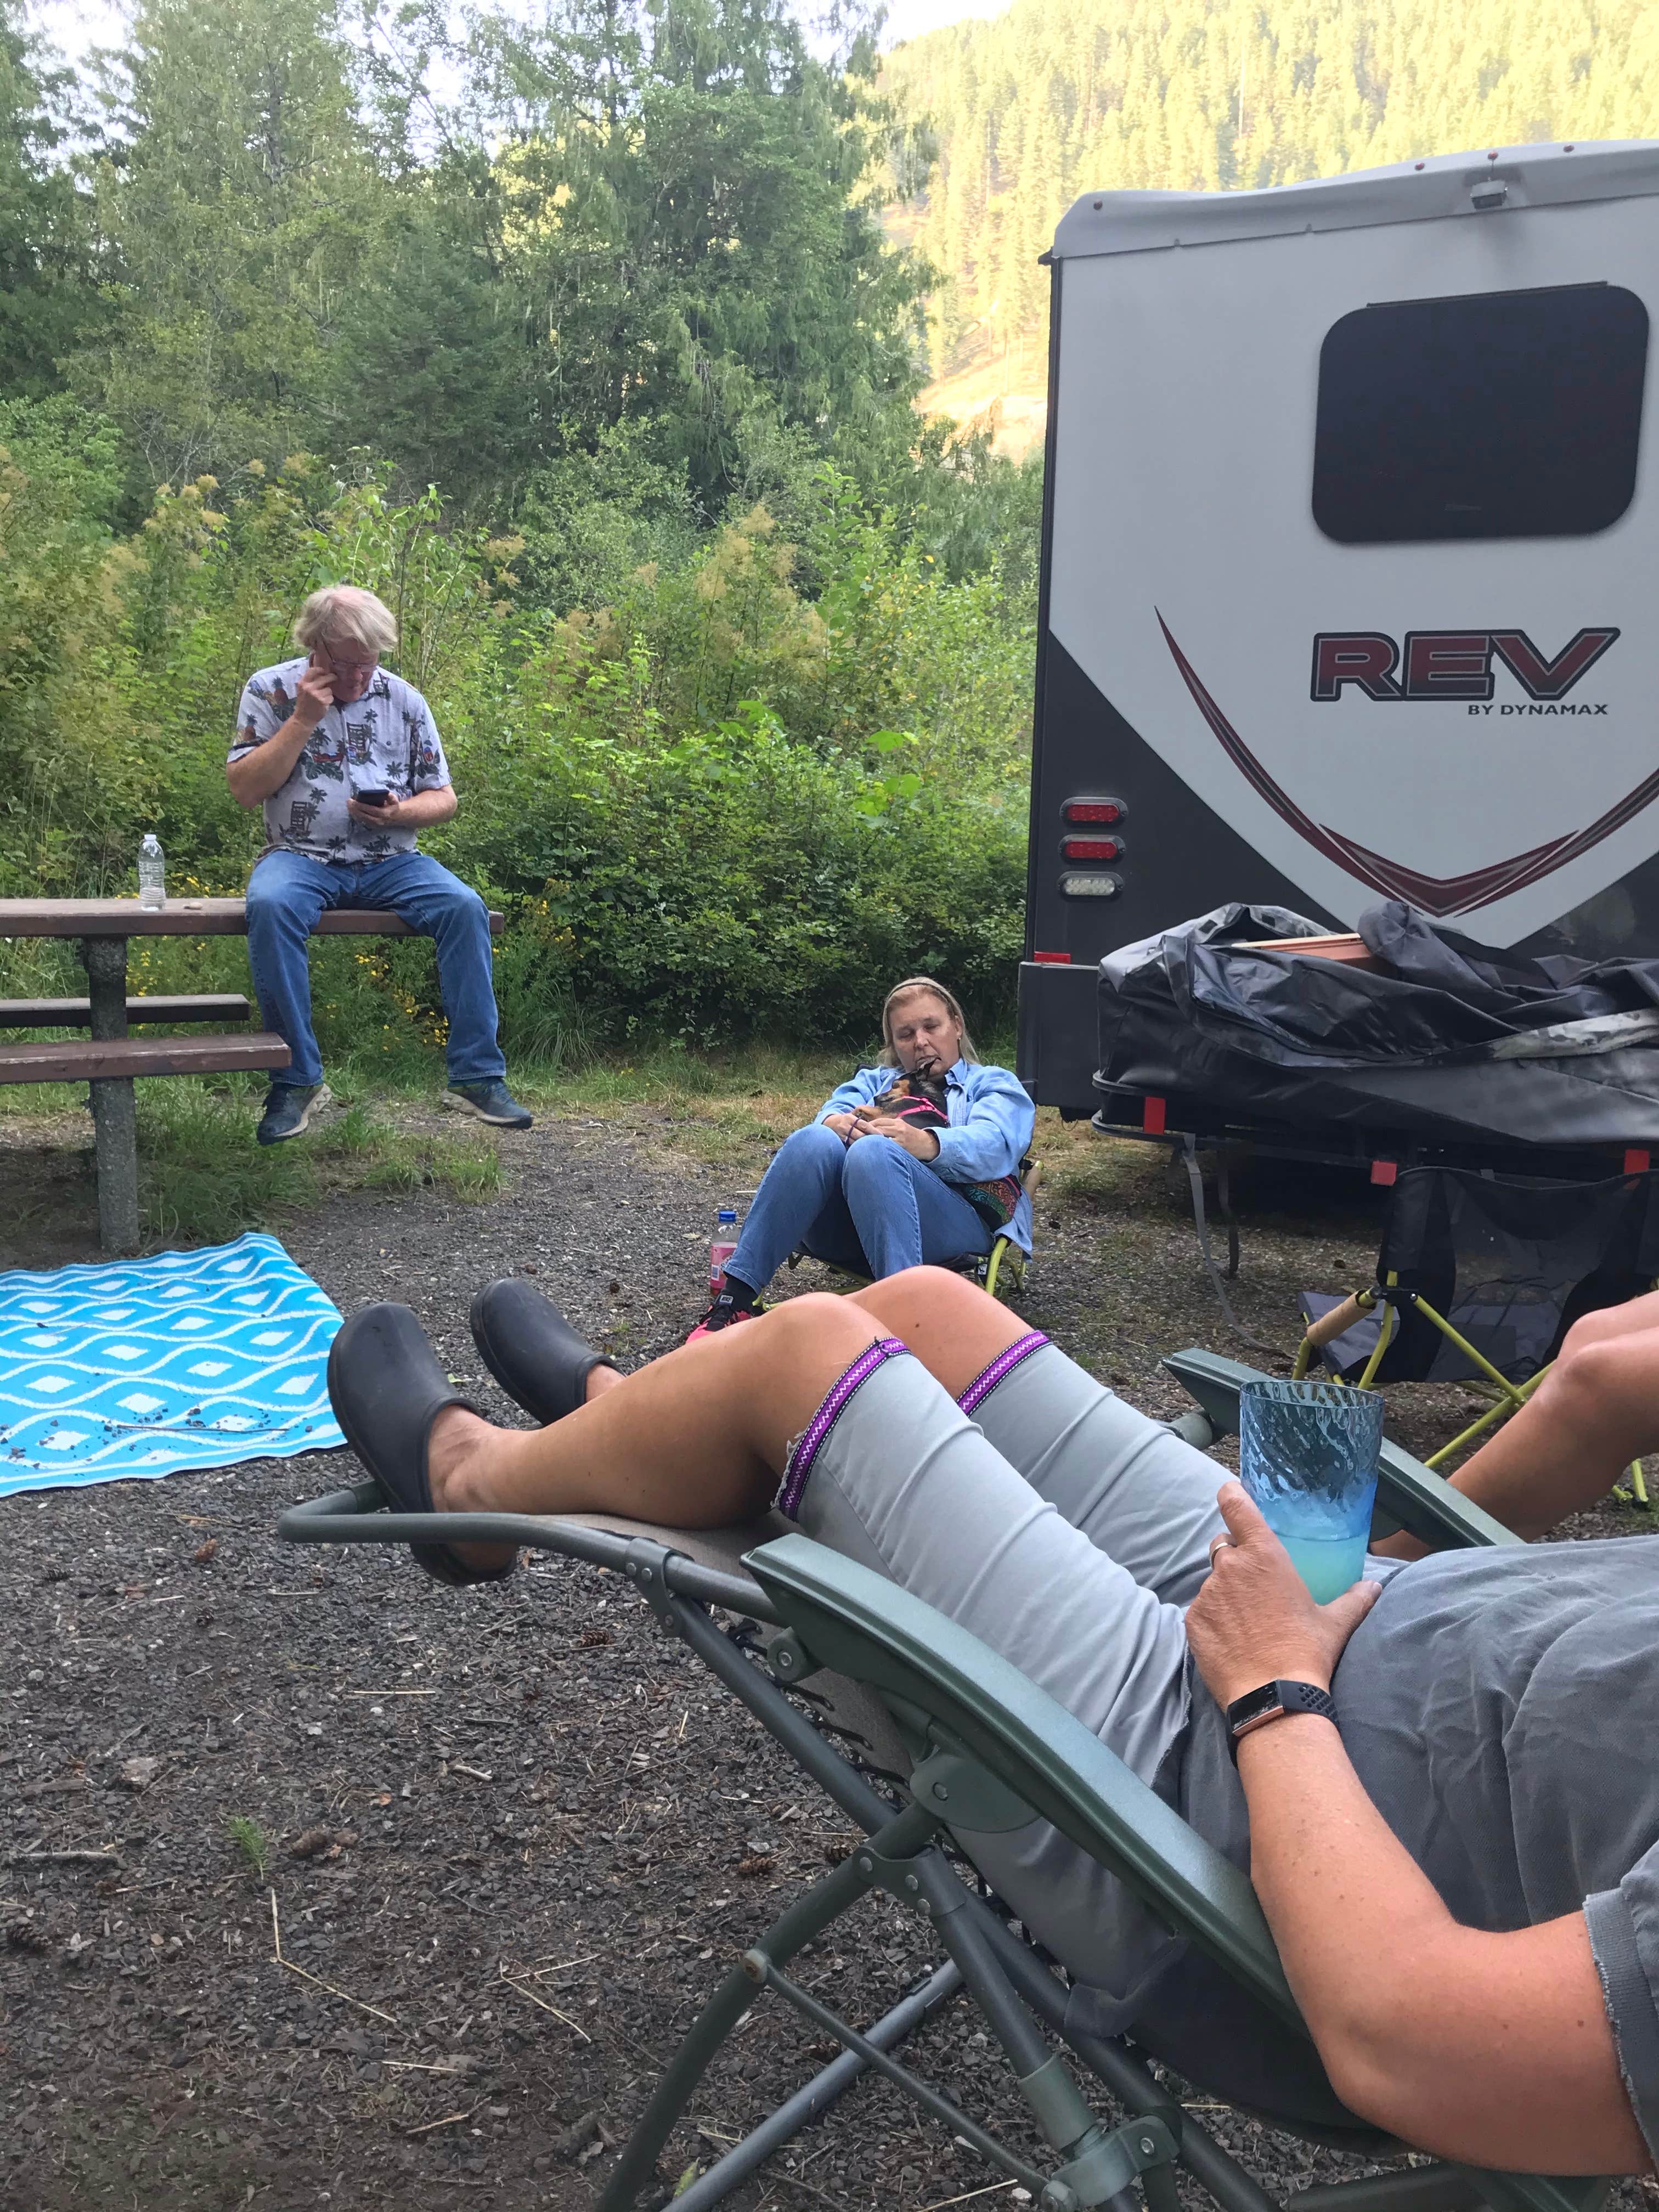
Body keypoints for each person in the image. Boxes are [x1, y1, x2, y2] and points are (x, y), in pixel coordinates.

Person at [328, 1270, 1659, 2179]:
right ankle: (630, 1421)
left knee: (809, 1359)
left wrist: (1271, 1684)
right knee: (928, 1314)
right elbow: (1605, 1370)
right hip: (1344, 1632)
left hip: (1226, 1814)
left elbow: (1411, 2041)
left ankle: (477, 1482)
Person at [227, 585, 532, 1146]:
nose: (362, 678)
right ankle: (296, 1082)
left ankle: (477, 1077)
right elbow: (245, 790)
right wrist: (302, 720)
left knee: (465, 907)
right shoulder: (268, 690)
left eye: (371, 663)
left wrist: (397, 813)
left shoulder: (403, 699)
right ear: (315, 647)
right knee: (269, 905)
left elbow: (444, 798)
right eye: (348, 664)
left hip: (391, 859)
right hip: (300, 858)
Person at [692, 976, 1035, 1335]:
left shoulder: (991, 1083)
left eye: (932, 1026)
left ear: (957, 1026)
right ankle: (734, 1301)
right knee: (814, 1139)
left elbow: (997, 1143)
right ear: (894, 1044)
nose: (921, 1042)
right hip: (850, 1226)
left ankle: (901, 1323)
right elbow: (828, 1118)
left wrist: (926, 1143)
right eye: (906, 1034)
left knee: (874, 1151)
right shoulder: (874, 1083)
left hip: (950, 1224)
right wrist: (835, 1122)